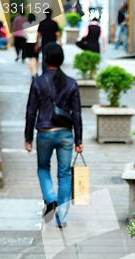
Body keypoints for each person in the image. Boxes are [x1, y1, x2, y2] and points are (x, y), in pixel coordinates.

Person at [24, 43, 83, 229]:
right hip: (66, 134)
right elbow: (77, 113)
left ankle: (50, 198)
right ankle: (61, 217)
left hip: (44, 132)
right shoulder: (71, 82)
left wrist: (27, 137)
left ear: (45, 59)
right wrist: (79, 140)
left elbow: (31, 112)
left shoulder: (38, 81)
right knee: (64, 174)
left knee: (43, 169)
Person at [36, 8, 62, 73]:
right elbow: (57, 33)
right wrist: (60, 43)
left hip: (44, 43)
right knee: (54, 58)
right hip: (53, 43)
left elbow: (38, 34)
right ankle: (53, 73)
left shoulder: (42, 23)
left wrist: (37, 43)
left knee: (44, 58)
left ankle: (45, 73)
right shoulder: (54, 23)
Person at [23, 14, 39, 79]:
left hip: (28, 42)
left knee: (30, 59)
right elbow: (39, 34)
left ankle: (32, 74)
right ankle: (37, 72)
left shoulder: (25, 24)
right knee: (37, 59)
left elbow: (24, 35)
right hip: (35, 43)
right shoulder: (37, 24)